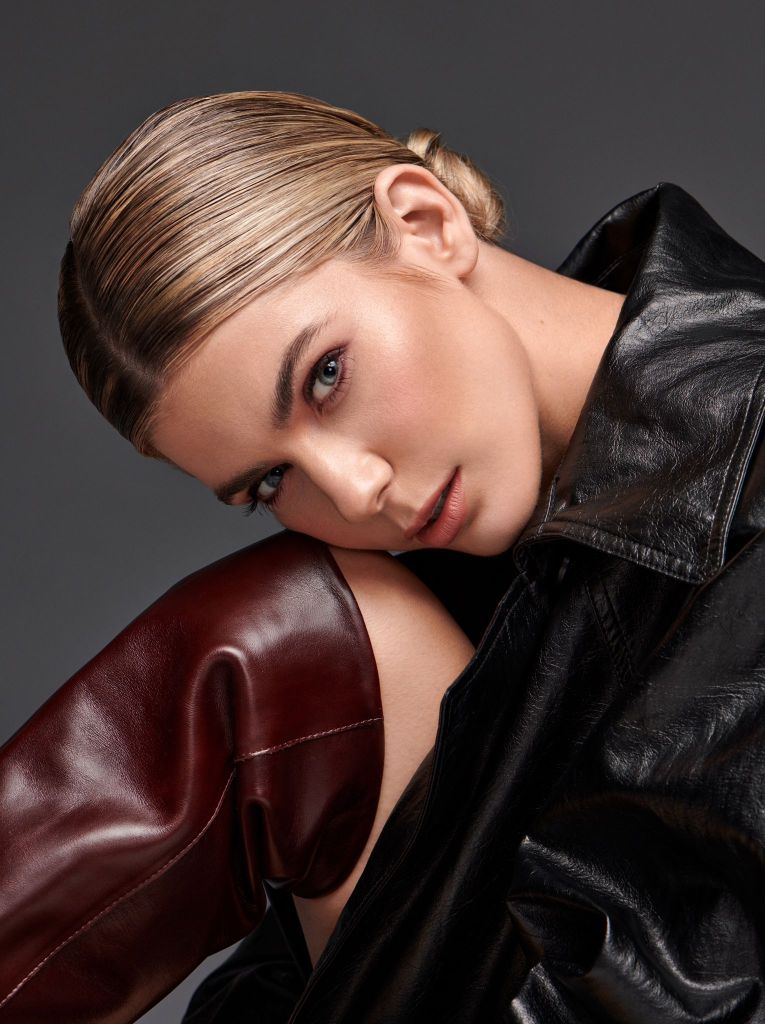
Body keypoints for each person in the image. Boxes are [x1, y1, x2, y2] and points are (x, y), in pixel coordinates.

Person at [3, 89, 765, 1022]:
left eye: (326, 375)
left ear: (426, 223)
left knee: (285, 644)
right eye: (270, 482)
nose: (354, 492)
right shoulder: (459, 571)